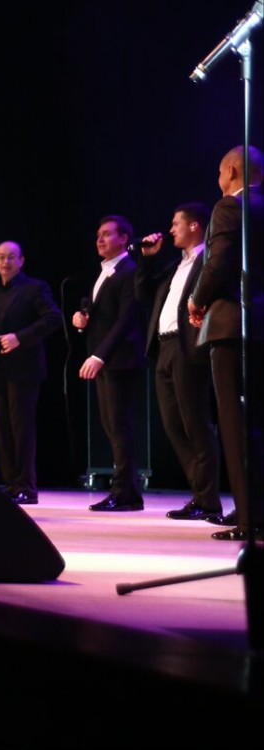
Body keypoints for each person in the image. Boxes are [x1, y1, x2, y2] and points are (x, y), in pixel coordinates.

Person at [188, 144, 264, 541]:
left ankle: (250, 520)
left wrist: (196, 299)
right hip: (260, 326)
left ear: (232, 171)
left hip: (233, 325)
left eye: (220, 172)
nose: (219, 179)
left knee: (235, 426)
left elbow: (218, 261)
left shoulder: (229, 206)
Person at [134, 202, 222, 521]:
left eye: (176, 224)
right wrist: (146, 260)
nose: (170, 229)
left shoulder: (208, 259)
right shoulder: (175, 264)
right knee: (173, 424)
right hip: (164, 347)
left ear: (194, 226)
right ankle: (200, 495)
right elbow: (143, 295)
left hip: (189, 347)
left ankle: (208, 500)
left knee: (195, 423)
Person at [0, 241, 61, 504]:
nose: (5, 262)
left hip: (24, 369)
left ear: (21, 261)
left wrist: (20, 337)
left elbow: (53, 317)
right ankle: (11, 484)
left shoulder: (34, 288)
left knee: (22, 429)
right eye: (0, 257)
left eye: (11, 257)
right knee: (2, 428)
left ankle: (26, 487)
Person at [72, 215, 148, 511]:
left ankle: (125, 492)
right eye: (98, 235)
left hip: (119, 359)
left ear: (124, 239)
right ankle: (127, 490)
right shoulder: (105, 271)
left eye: (106, 234)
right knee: (112, 426)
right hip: (106, 359)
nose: (100, 240)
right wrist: (83, 322)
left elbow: (126, 319)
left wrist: (99, 355)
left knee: (119, 425)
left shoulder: (129, 270)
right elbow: (104, 317)